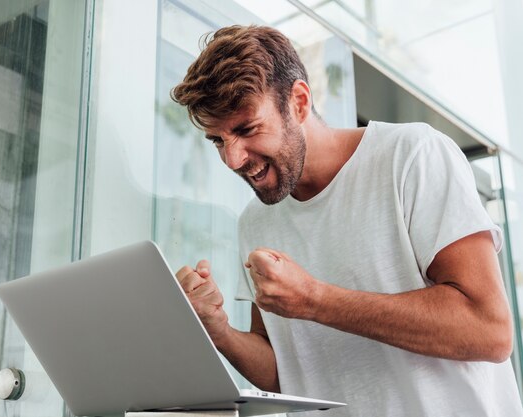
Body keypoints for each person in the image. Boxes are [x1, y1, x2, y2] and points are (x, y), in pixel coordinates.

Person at [170, 25, 523, 417]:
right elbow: (285, 368)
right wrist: (218, 331)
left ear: (299, 103)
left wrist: (315, 300)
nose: (232, 159)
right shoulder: (255, 221)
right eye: (218, 140)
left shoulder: (411, 156)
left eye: (246, 129)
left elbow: (489, 329)